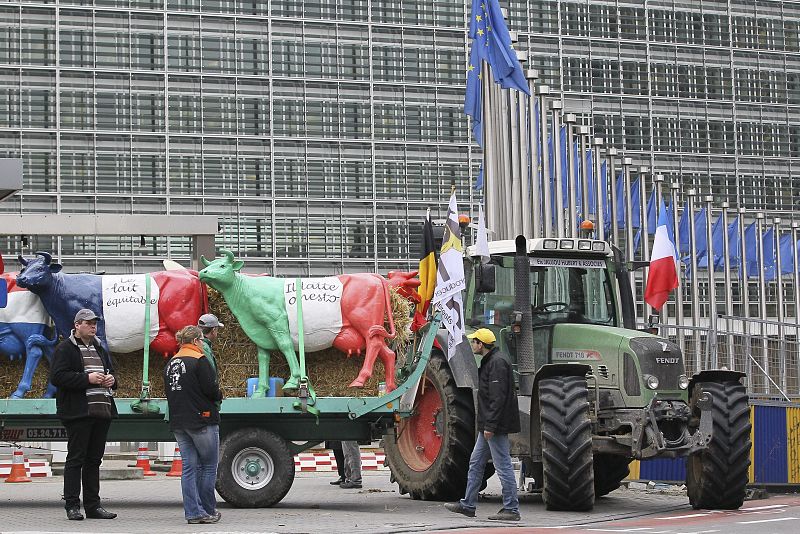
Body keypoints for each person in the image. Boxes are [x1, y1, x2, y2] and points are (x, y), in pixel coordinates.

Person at [445, 328, 521, 521]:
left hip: (494, 426)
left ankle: (511, 509)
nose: (472, 345)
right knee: (476, 463)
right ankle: (468, 505)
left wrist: (490, 426)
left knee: (503, 465)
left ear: (481, 344)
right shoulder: (491, 361)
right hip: (488, 425)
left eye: (474, 342)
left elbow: (497, 399)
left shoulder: (496, 364)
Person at [50, 309, 118, 521]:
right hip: (79, 412)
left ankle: (93, 506)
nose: (93, 326)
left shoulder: (100, 347)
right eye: (88, 323)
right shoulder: (65, 348)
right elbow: (57, 377)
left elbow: (112, 372)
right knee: (76, 459)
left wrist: (112, 380)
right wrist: (87, 379)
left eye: (94, 323)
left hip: (102, 410)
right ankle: (72, 506)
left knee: (94, 460)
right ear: (77, 325)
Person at [164, 325, 223, 525]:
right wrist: (219, 395)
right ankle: (208, 510)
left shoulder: (171, 362)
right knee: (208, 466)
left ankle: (193, 512)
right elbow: (211, 389)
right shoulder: (199, 359)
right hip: (202, 420)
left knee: (189, 468)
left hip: (179, 422)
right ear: (197, 341)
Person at [197, 313, 223, 379]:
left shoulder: (194, 343)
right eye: (217, 330)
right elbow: (210, 373)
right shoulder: (204, 347)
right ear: (213, 331)